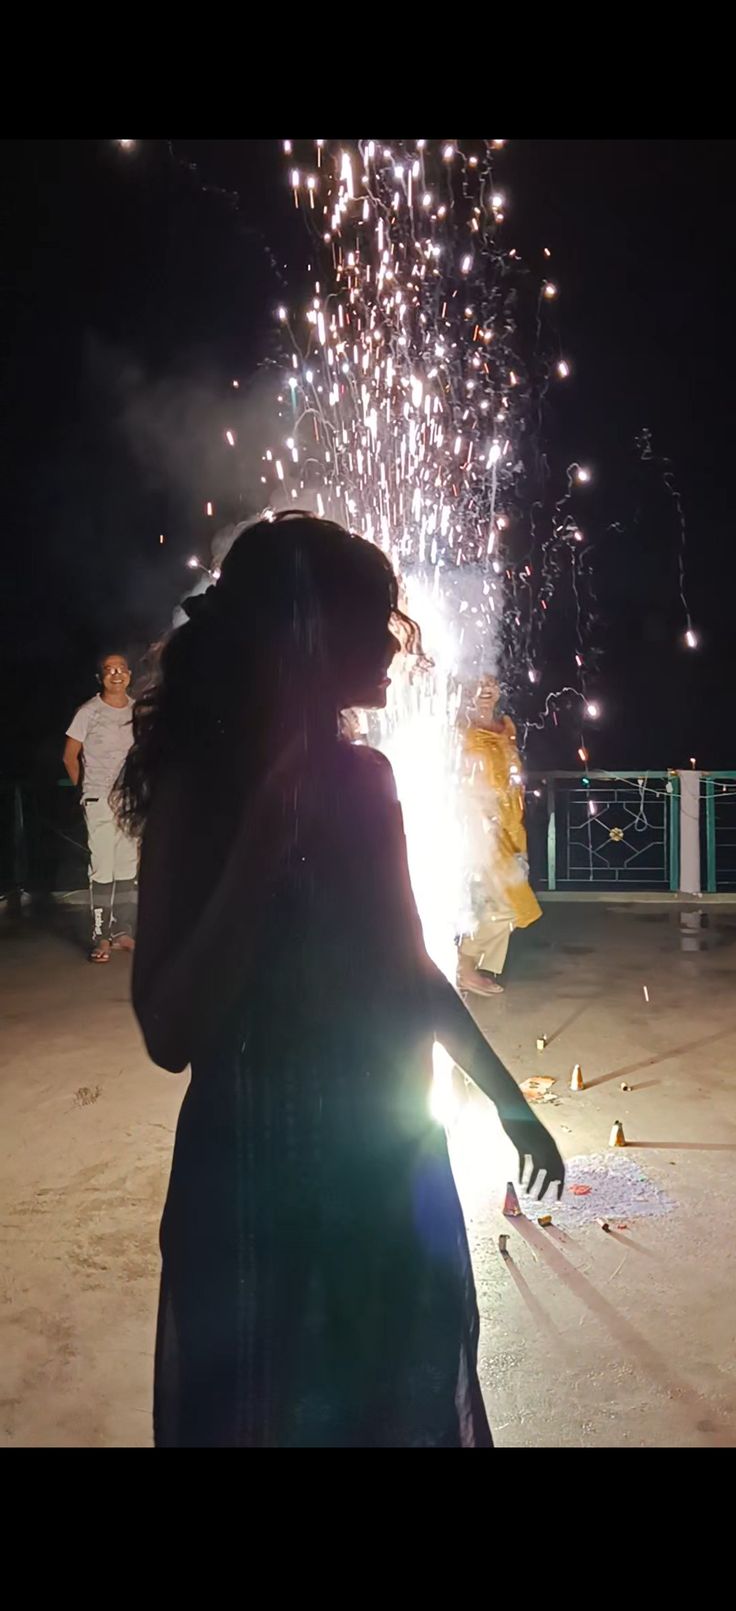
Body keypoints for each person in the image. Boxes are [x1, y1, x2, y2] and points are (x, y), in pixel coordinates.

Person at [117, 512, 563, 1449]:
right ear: (309, 635)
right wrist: (259, 848)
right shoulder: (200, 794)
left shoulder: (367, 780)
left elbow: (409, 972)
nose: (396, 645)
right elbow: (168, 1031)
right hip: (251, 1180)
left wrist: (510, 1101)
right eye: (375, 618)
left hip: (380, 1174)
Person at [457, 675, 542, 997]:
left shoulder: (506, 727)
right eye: (477, 683)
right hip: (477, 823)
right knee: (510, 900)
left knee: (495, 899)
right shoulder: (459, 728)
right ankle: (464, 964)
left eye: (491, 682)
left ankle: (469, 967)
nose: (486, 689)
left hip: (509, 825)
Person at [64, 651, 138, 963]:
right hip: (98, 800)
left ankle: (122, 931)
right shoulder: (88, 711)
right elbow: (70, 755)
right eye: (110, 670)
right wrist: (86, 792)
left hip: (130, 801)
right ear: (101, 677)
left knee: (127, 866)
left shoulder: (138, 711)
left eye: (122, 669)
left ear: (130, 675)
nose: (116, 674)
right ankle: (101, 937)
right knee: (102, 867)